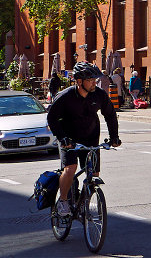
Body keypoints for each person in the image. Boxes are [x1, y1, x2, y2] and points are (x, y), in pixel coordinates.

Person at [47, 61, 121, 218]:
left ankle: (84, 202)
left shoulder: (99, 94)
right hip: (69, 138)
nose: (94, 83)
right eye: (91, 80)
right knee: (70, 168)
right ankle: (64, 200)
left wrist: (114, 136)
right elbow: (52, 118)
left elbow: (110, 115)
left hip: (90, 136)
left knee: (93, 173)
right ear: (79, 81)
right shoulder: (65, 97)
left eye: (95, 80)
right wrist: (62, 137)